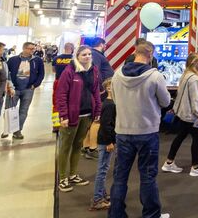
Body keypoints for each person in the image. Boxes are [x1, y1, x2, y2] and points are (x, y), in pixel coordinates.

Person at [109, 41, 172, 218]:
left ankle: (116, 214)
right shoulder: (155, 76)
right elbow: (166, 102)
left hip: (122, 132)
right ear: (150, 54)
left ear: (134, 52)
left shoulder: (117, 74)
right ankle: (151, 215)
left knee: (120, 177)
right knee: (147, 176)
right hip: (147, 132)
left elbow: (114, 99)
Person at [56, 46, 102, 192]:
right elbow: (61, 94)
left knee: (77, 146)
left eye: (89, 54)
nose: (87, 57)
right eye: (84, 55)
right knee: (65, 147)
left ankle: (73, 174)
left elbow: (95, 91)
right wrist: (63, 115)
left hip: (87, 114)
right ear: (77, 56)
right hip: (70, 117)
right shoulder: (69, 71)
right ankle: (63, 177)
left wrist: (97, 110)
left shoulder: (93, 70)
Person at [161, 52, 198, 177]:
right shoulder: (194, 78)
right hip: (190, 115)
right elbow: (194, 98)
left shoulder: (185, 75)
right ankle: (195, 167)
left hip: (182, 112)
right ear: (194, 63)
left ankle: (169, 162)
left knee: (181, 136)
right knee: (196, 137)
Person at [7, 42, 45, 140]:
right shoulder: (13, 60)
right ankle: (8, 129)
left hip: (28, 89)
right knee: (10, 110)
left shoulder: (37, 60)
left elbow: (41, 74)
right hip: (14, 89)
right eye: (30, 48)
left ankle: (18, 131)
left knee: (23, 110)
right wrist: (9, 85)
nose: (32, 50)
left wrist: (35, 85)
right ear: (24, 48)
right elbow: (7, 74)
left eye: (33, 49)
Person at [83, 38, 114, 159]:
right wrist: (100, 88)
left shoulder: (95, 54)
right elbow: (94, 72)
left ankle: (86, 146)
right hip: (99, 93)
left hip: (97, 92)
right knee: (97, 120)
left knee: (92, 120)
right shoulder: (95, 54)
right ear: (102, 44)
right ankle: (92, 148)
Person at [91, 79, 116, 211]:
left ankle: (102, 194)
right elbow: (106, 125)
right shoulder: (110, 105)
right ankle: (97, 199)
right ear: (107, 88)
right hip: (105, 141)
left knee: (104, 169)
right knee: (102, 170)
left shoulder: (110, 103)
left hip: (106, 140)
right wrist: (109, 142)